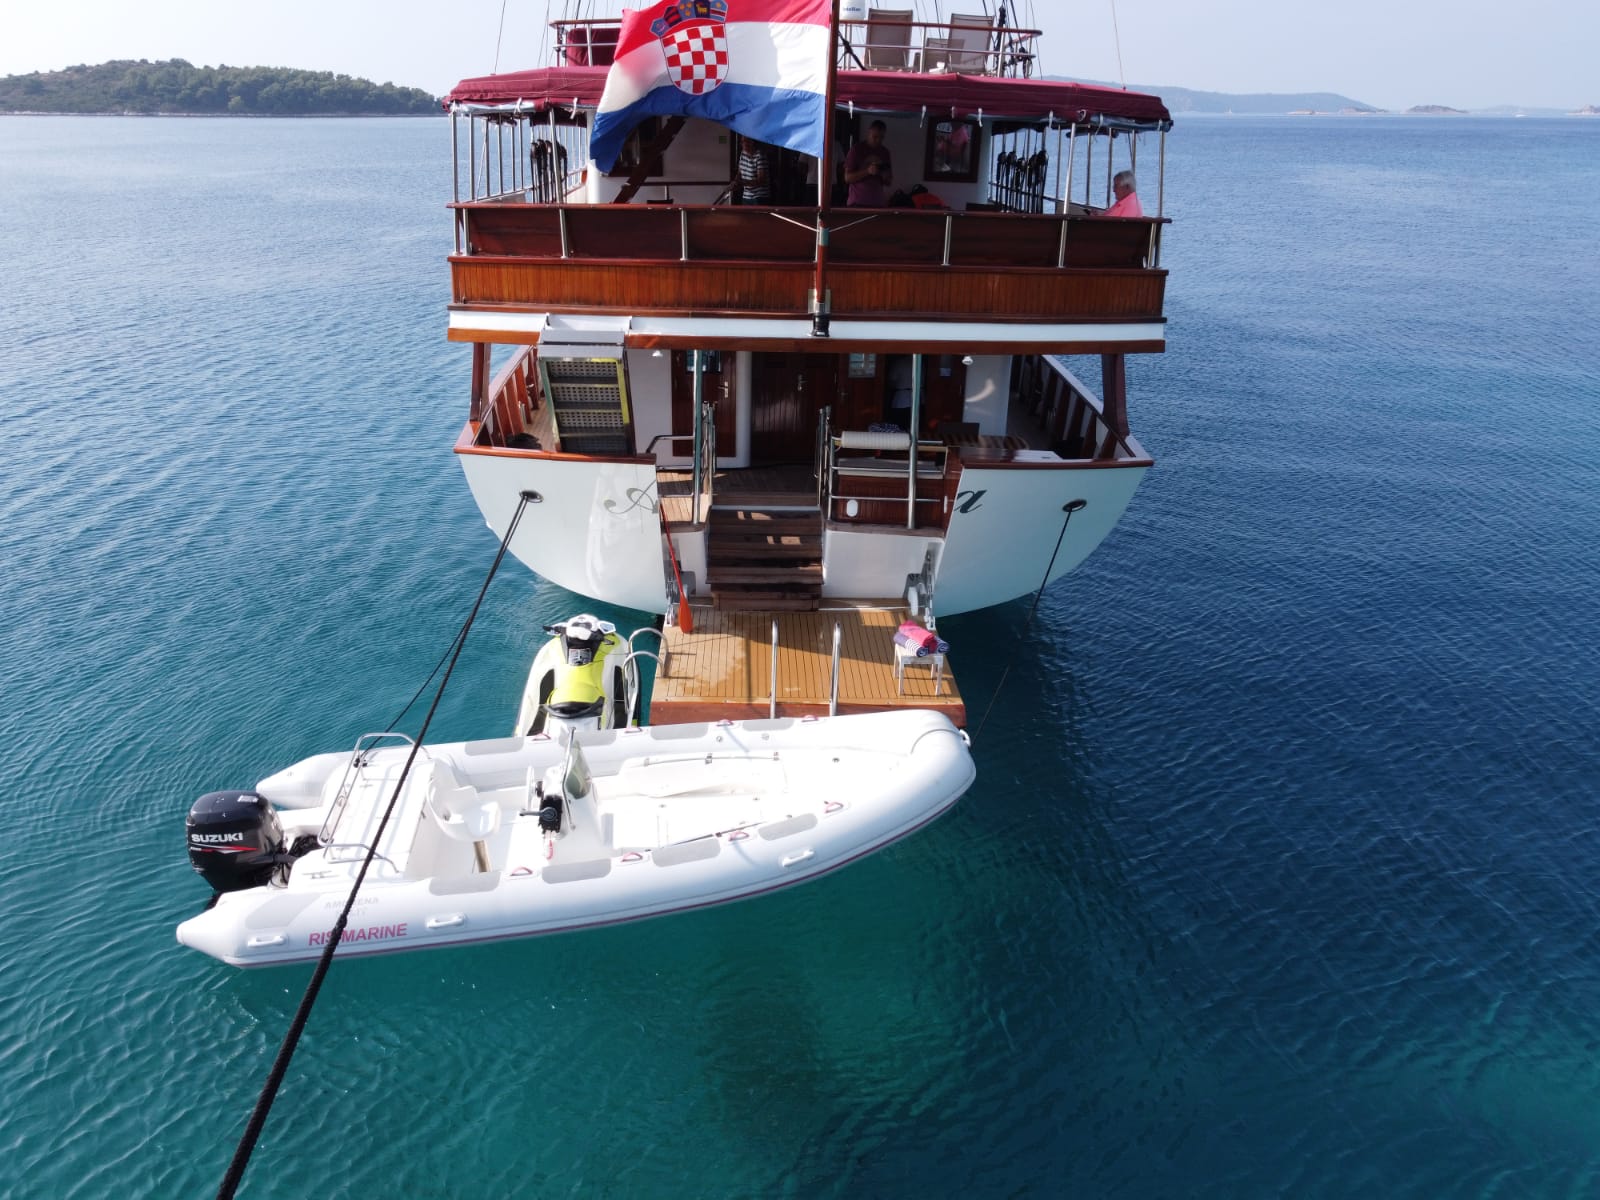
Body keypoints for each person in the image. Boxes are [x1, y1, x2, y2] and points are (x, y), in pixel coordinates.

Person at [843, 120, 893, 207]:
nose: (878, 140)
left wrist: (883, 175)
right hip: (857, 203)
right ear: (869, 132)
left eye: (881, 138)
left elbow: (889, 182)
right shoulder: (856, 150)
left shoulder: (885, 152)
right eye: (875, 137)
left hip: (878, 203)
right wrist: (867, 171)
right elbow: (847, 178)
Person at [735, 135, 772, 205]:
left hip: (760, 196)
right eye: (742, 142)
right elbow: (739, 173)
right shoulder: (743, 154)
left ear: (751, 142)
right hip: (746, 196)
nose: (741, 144)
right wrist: (735, 182)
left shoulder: (760, 155)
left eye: (744, 141)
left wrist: (743, 183)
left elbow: (761, 180)